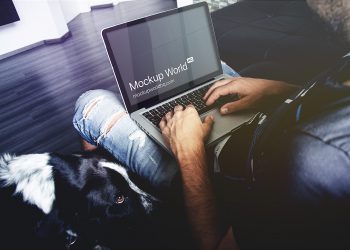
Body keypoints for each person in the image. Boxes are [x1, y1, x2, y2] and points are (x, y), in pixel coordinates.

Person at [73, 1, 350, 249]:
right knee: (208, 68)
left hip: (219, 172)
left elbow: (215, 244)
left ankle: (101, 199)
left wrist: (190, 152)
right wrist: (277, 90)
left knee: (90, 103)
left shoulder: (313, 165)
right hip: (264, 123)